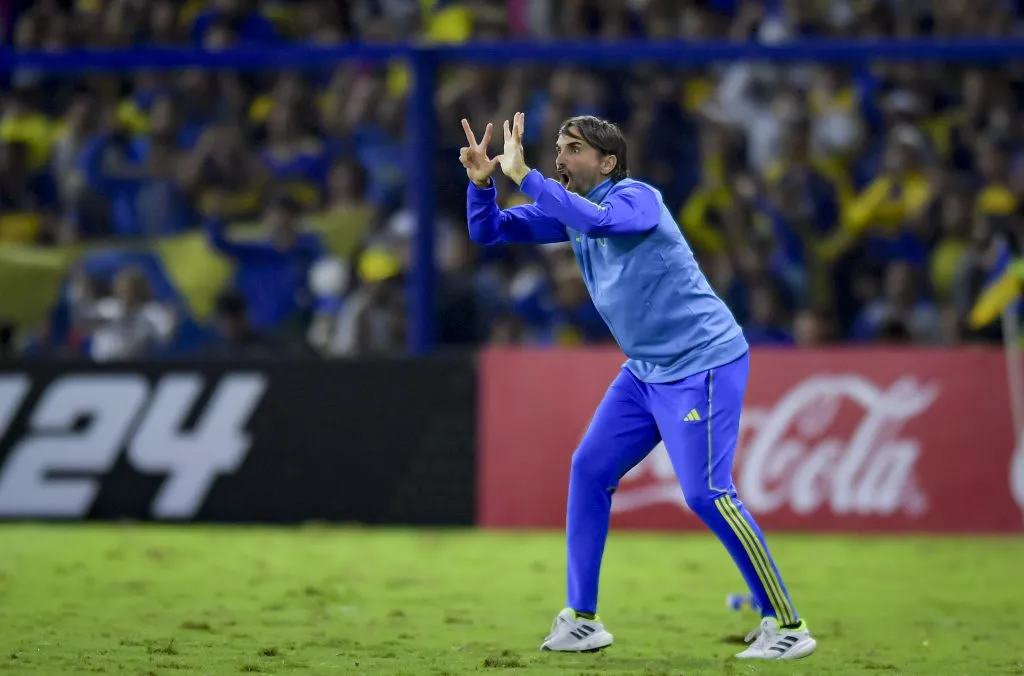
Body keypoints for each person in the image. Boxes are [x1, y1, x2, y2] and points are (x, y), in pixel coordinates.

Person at [459, 113, 817, 661]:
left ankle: (787, 625)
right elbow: (490, 232)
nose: (561, 156)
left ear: (608, 163)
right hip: (646, 371)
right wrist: (482, 183)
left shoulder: (637, 198)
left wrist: (527, 176)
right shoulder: (570, 212)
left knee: (706, 493)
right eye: (558, 147)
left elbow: (600, 223)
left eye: (574, 149)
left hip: (703, 364)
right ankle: (581, 619)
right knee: (590, 469)